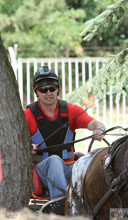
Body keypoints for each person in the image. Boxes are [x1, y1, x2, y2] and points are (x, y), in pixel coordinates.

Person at [24, 66, 106, 213]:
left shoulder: (70, 110)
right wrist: (27, 146)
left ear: (58, 89)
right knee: (55, 160)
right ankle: (62, 205)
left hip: (69, 167)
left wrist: (99, 129)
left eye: (52, 88)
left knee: (92, 162)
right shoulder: (28, 115)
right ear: (36, 92)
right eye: (43, 90)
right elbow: (15, 143)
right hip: (42, 170)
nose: (48, 93)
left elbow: (94, 123)